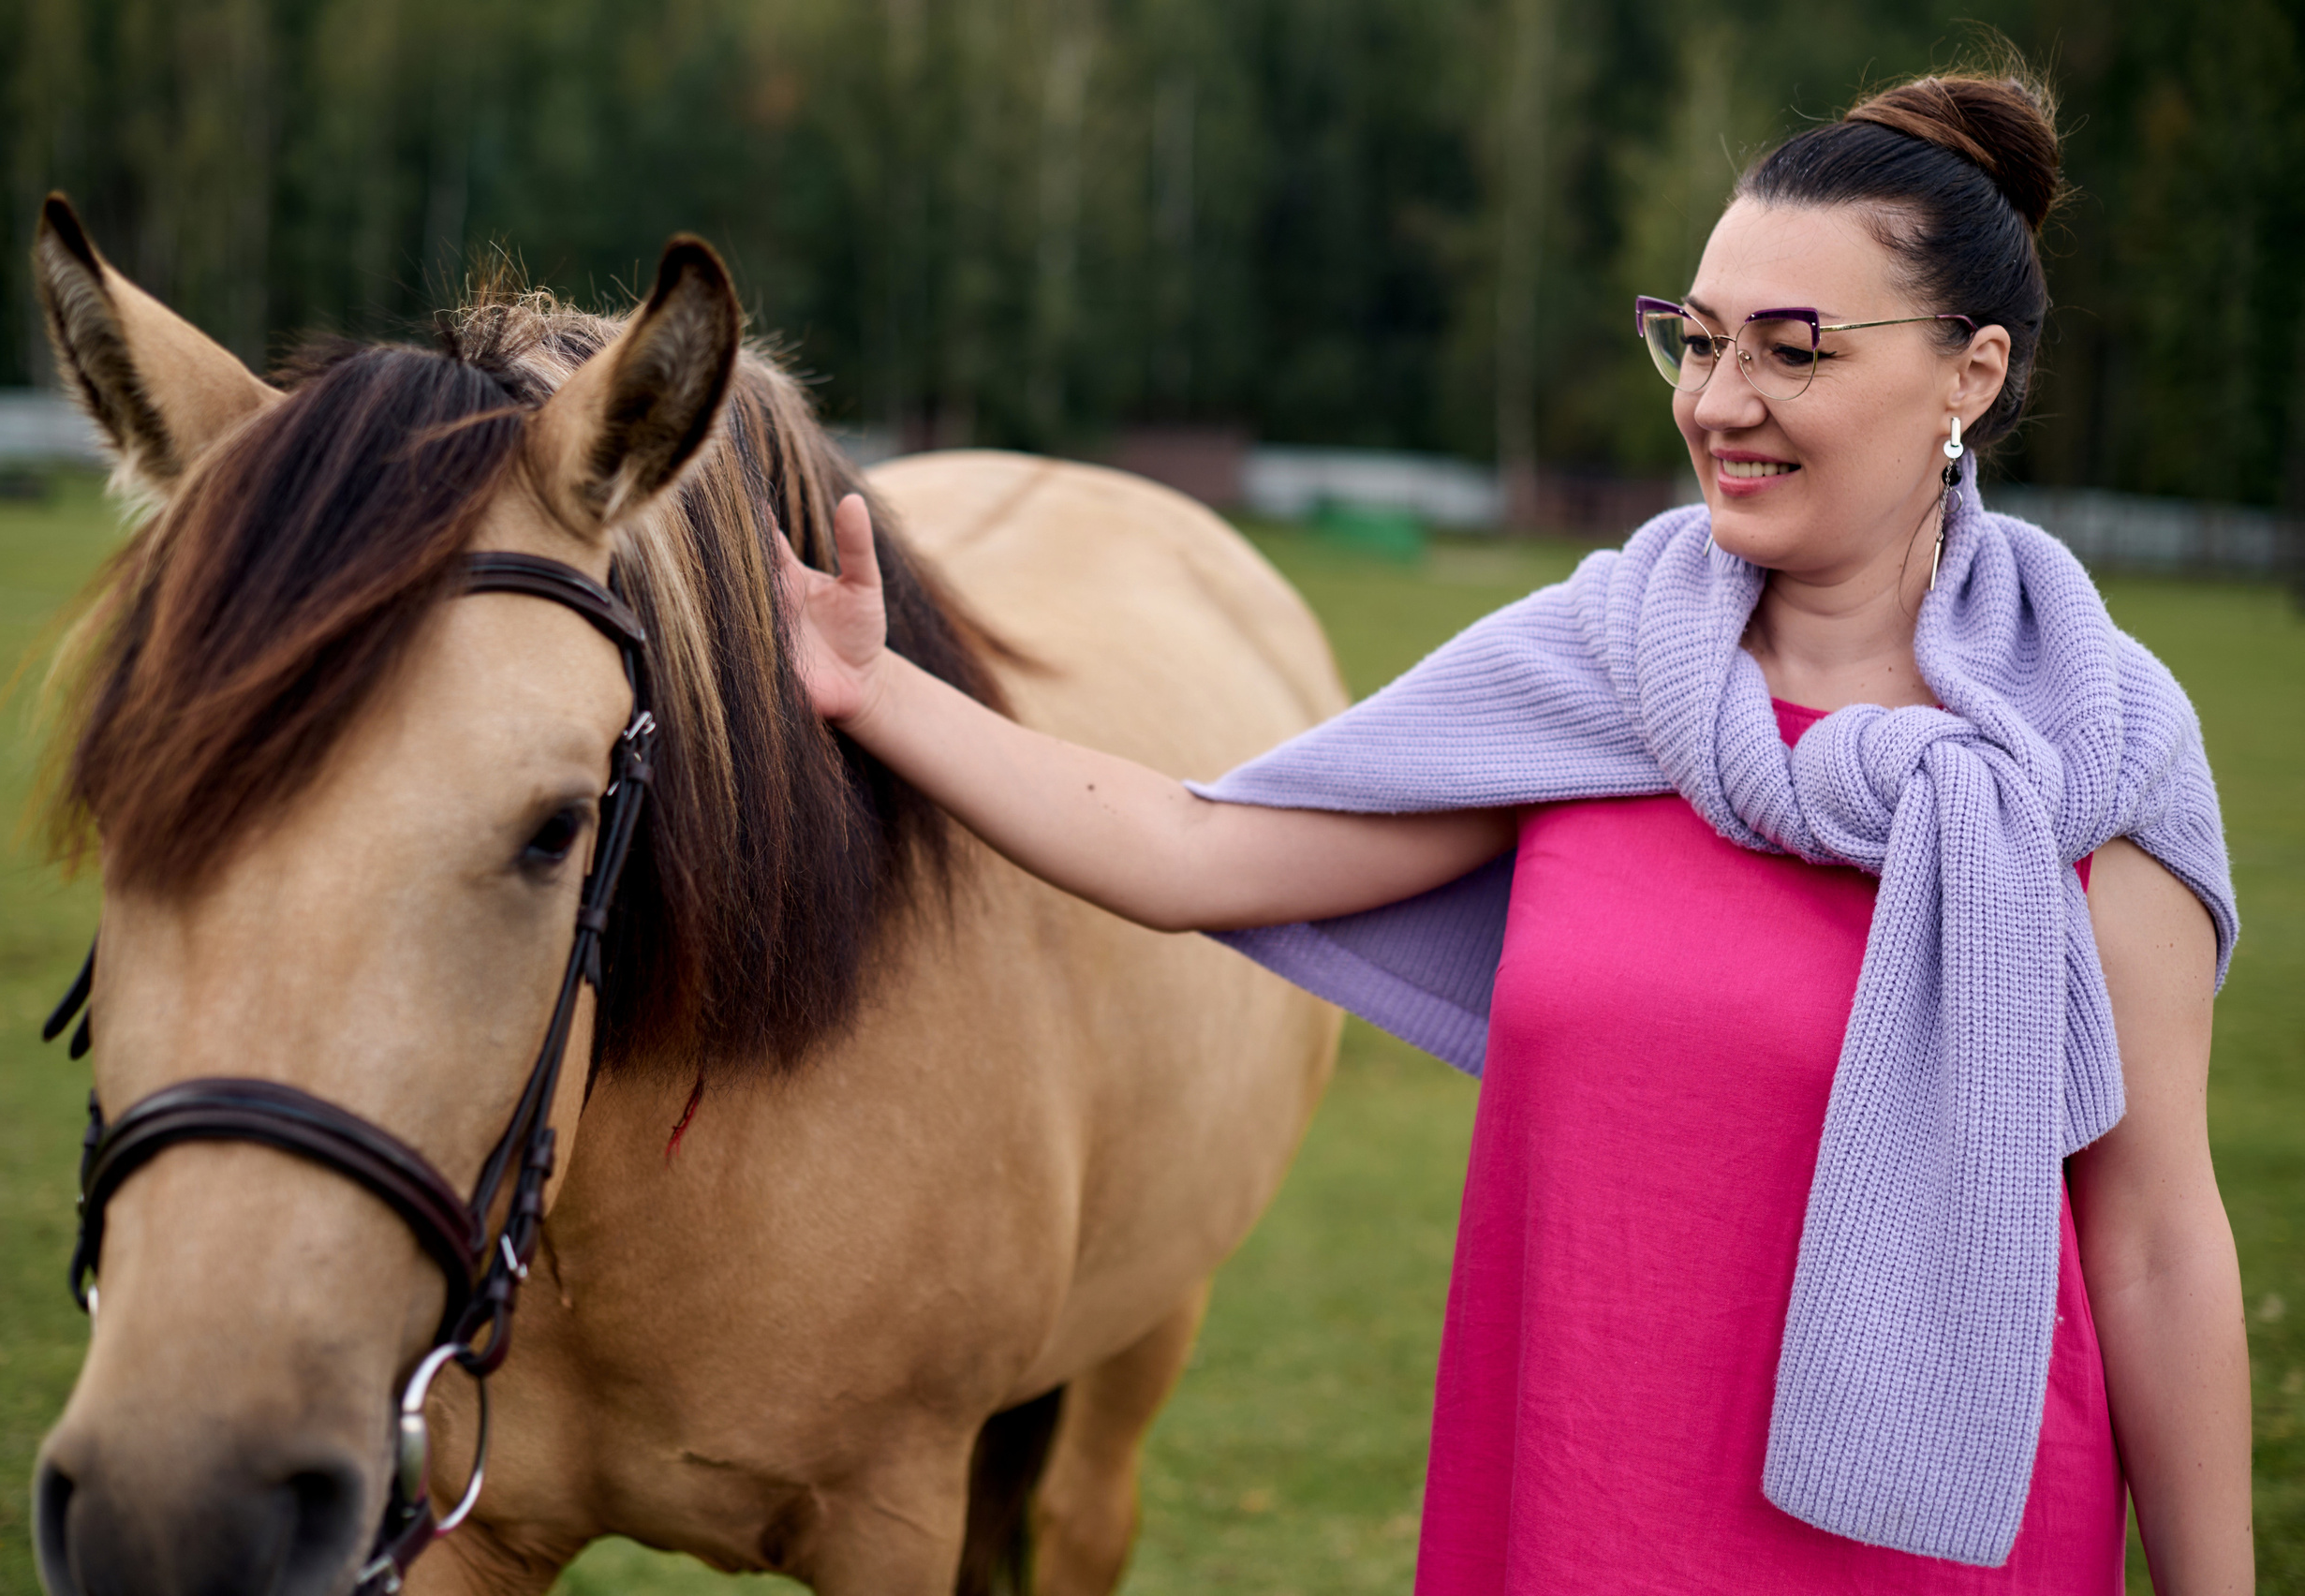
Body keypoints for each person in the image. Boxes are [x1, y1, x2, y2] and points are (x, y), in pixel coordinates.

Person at [778, 67, 2251, 1594]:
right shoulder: (1597, 675)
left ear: (1970, 374)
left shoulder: (2095, 749)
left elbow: (2153, 1244)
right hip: (1577, 1508)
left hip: (1943, 1551)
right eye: (1697, 339)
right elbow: (1192, 851)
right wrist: (876, 688)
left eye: (1792, 349)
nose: (1717, 402)